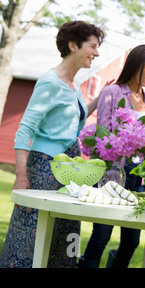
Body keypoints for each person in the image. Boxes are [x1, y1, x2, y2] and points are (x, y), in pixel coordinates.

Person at [0, 21, 105, 268]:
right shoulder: (51, 81)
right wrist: (21, 175)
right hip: (44, 169)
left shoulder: (74, 85)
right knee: (32, 232)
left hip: (70, 171)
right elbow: (25, 129)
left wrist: (99, 100)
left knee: (64, 236)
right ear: (72, 46)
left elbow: (71, 126)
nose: (97, 53)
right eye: (92, 46)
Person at [78, 45, 145, 268]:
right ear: (136, 66)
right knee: (101, 235)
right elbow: (103, 135)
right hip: (111, 173)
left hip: (137, 178)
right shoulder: (111, 93)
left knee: (132, 241)